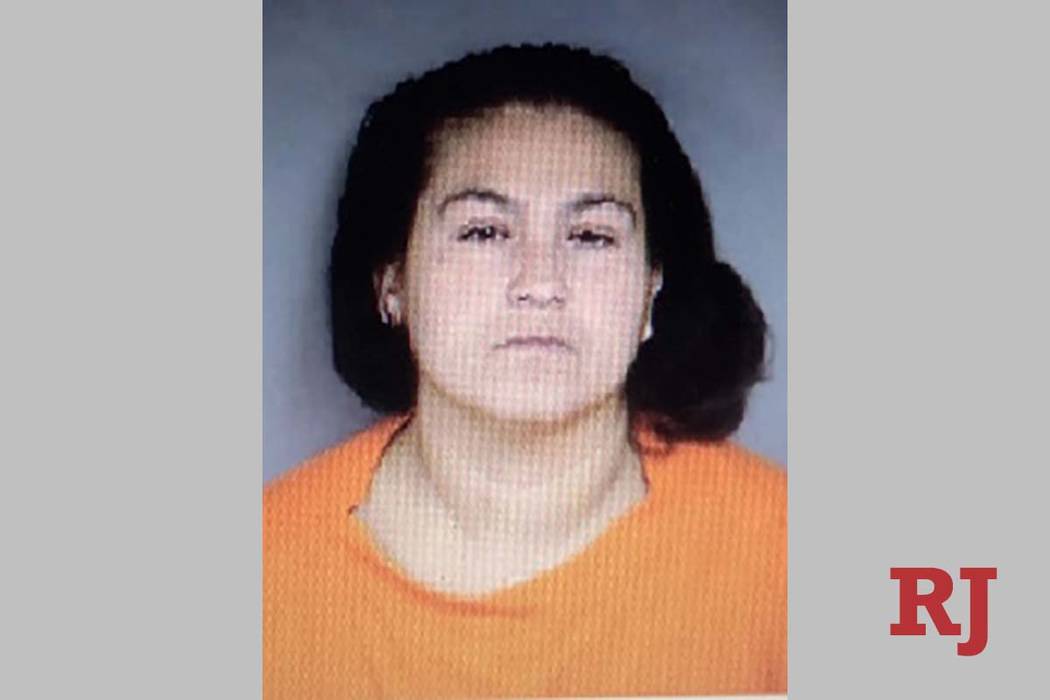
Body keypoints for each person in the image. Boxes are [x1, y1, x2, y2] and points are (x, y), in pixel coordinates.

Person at [264, 44, 785, 698]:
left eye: (591, 235)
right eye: (484, 231)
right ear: (392, 282)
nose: (540, 283)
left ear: (653, 288)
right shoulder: (264, 573)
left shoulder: (780, 554)